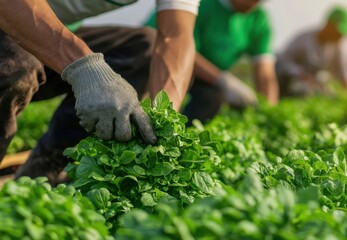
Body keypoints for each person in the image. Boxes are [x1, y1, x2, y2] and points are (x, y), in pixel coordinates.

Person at [0, 0, 200, 184]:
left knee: (140, 50)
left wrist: (164, 117)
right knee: (17, 64)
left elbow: (175, 35)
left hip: (49, 34)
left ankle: (42, 171)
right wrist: (84, 66)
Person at [145, 0, 279, 124]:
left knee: (210, 98)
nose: (256, 2)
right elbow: (175, 49)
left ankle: (182, 139)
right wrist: (223, 80)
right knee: (145, 103)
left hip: (204, 79)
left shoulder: (258, 18)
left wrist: (268, 113)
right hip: (153, 61)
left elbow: (265, 76)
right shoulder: (202, 4)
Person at [276, 6, 347, 98]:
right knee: (301, 89)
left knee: (329, 92)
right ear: (328, 24)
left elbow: (345, 70)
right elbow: (283, 61)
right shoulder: (303, 39)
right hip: (291, 80)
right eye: (338, 32)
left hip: (314, 82)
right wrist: (299, 73)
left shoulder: (338, 45)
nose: (340, 37)